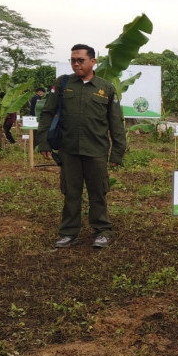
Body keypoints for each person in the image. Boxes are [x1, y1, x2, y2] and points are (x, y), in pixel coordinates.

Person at [37, 44, 126, 249]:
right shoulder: (63, 84)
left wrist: (117, 153)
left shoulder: (106, 89)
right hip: (69, 151)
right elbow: (48, 113)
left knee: (98, 193)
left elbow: (116, 123)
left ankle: (102, 231)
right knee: (71, 193)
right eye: (73, 60)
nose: (76, 64)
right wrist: (44, 141)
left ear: (93, 62)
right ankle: (68, 233)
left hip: (96, 151)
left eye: (81, 60)